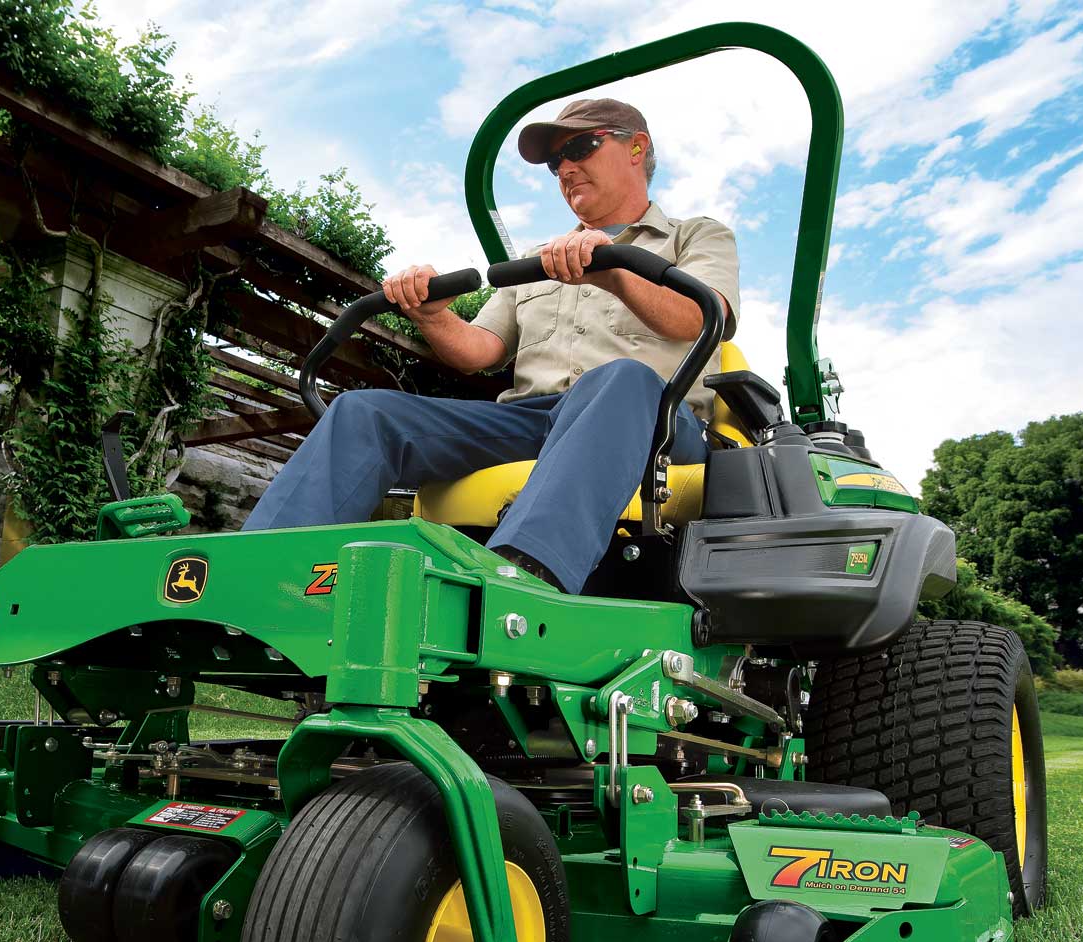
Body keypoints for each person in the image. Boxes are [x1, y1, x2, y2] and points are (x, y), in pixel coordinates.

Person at [242, 98, 740, 594]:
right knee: (363, 413)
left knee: (620, 377)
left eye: (581, 147)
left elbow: (704, 316)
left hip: (652, 424)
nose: (565, 168)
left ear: (636, 148)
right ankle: (262, 580)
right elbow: (479, 350)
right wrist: (432, 316)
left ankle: (520, 577)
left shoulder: (695, 236)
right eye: (554, 162)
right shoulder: (539, 260)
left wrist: (617, 273)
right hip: (533, 421)